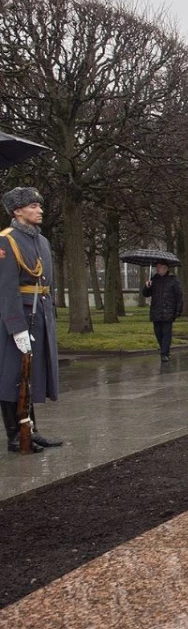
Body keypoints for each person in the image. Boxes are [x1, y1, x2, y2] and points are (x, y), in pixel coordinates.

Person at [0, 187, 61, 453]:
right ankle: (15, 435)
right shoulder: (6, 240)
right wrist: (16, 327)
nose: (40, 210)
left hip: (40, 313)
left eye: (39, 206)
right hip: (19, 316)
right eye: (33, 206)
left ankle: (30, 430)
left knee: (29, 376)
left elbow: (47, 283)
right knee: (12, 377)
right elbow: (6, 287)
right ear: (18, 211)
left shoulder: (42, 241)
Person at [143, 262, 184, 363]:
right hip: (156, 310)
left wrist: (178, 310)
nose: (157, 269)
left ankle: (164, 353)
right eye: (157, 267)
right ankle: (164, 349)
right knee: (158, 332)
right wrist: (147, 287)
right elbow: (146, 294)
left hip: (168, 311)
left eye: (159, 267)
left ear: (165, 268)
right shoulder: (154, 279)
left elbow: (179, 296)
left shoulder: (173, 280)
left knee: (166, 333)